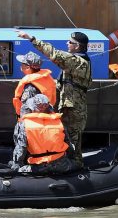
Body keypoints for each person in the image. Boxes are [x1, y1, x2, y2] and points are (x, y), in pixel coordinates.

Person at [16, 29, 92, 168]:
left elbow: (54, 54)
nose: (67, 43)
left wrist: (31, 39)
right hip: (69, 107)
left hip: (74, 110)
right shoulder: (75, 62)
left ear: (77, 46)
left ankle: (75, 168)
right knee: (66, 139)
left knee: (72, 142)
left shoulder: (78, 62)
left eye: (70, 42)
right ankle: (68, 166)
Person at [11, 94, 71, 174]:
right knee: (76, 164)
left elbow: (21, 148)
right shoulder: (59, 121)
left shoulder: (25, 124)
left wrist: (17, 164)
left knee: (18, 168)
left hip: (39, 167)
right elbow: (68, 143)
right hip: (61, 165)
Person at [13, 49, 58, 117]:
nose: (21, 66)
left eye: (22, 64)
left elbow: (27, 109)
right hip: (46, 116)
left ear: (28, 67)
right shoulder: (47, 78)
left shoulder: (30, 86)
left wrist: (21, 120)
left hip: (33, 119)